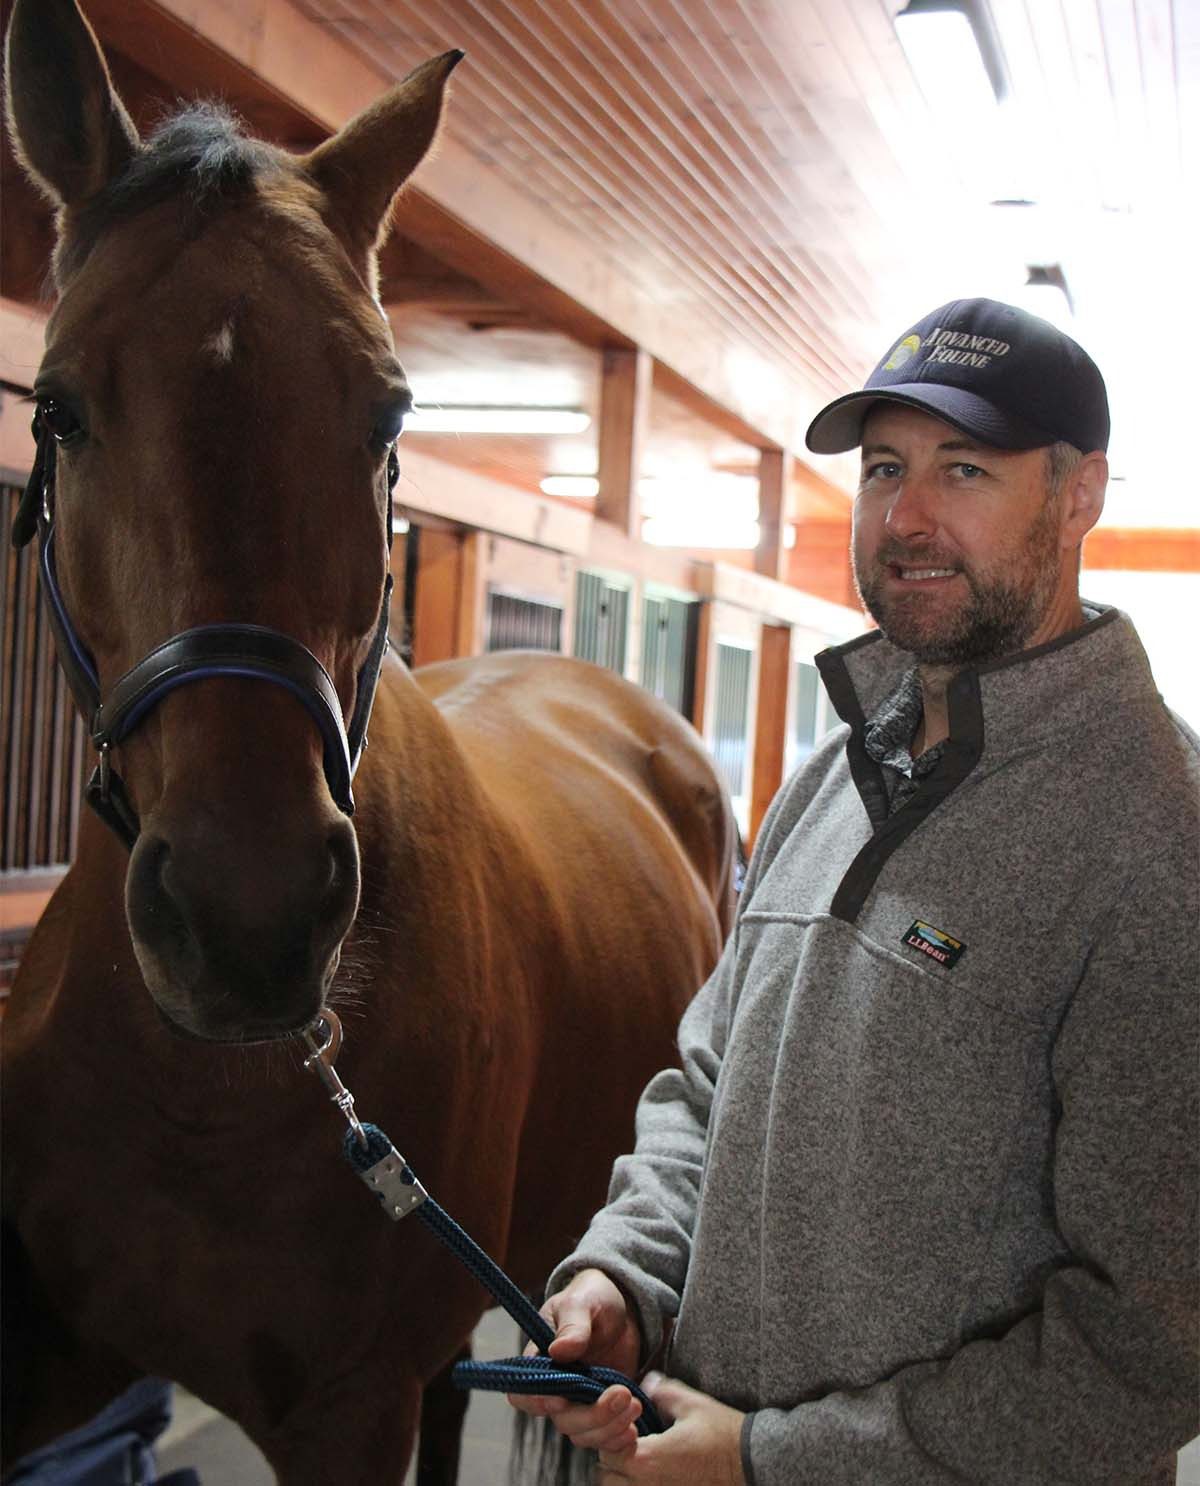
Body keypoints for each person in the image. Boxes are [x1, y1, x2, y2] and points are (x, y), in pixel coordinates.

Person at [508, 298, 1200, 1484]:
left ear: (1079, 495)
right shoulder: (828, 777)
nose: (906, 515)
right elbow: (708, 1084)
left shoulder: (1157, 842)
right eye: (885, 467)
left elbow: (1144, 1356)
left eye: (964, 468)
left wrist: (777, 1460)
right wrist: (625, 1273)